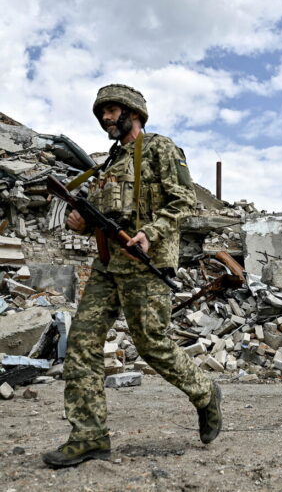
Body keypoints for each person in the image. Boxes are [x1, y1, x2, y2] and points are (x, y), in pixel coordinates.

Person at [43, 84, 222, 468]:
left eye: (112, 110)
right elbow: (101, 219)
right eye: (102, 112)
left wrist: (150, 233)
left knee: (153, 346)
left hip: (146, 263)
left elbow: (183, 201)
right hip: (108, 266)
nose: (106, 118)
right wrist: (79, 223)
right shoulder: (108, 164)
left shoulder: (160, 148)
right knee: (81, 344)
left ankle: (206, 392)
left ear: (133, 112)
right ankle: (88, 437)